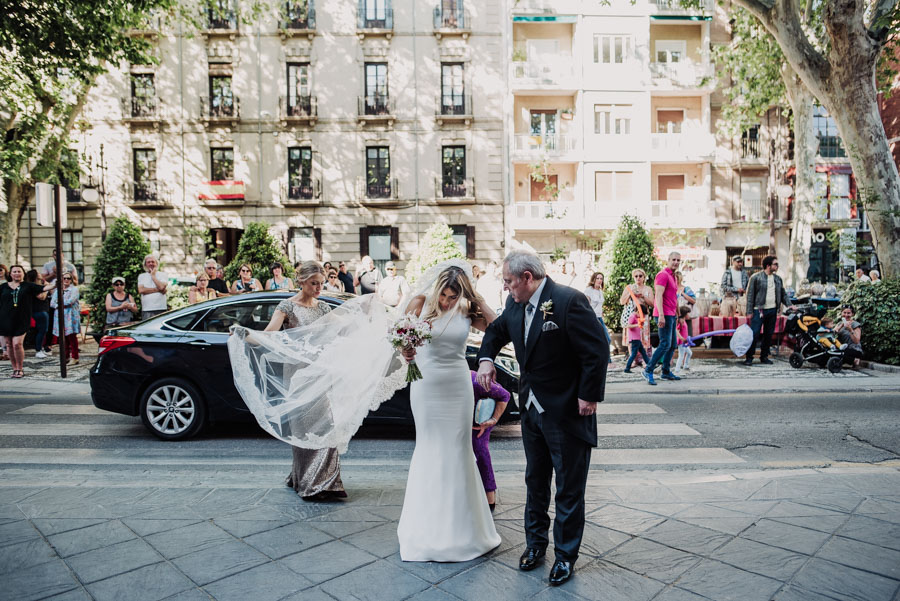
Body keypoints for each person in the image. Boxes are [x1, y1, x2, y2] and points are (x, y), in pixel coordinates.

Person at [477, 250, 608, 586]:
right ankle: (535, 545)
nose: (506, 288)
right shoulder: (515, 305)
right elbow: (496, 332)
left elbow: (597, 351)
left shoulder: (567, 301)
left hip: (567, 410)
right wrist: (486, 359)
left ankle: (565, 556)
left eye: (508, 281)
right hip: (532, 411)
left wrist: (589, 395)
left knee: (568, 487)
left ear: (527, 278)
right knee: (535, 481)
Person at [398, 264, 501, 561]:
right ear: (437, 289)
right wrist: (405, 350)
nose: (447, 301)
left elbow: (496, 327)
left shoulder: (467, 309)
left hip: (458, 385)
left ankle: (465, 529)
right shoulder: (419, 303)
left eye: (453, 296)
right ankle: (424, 528)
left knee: (458, 449)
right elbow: (398, 336)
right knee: (429, 448)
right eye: (444, 295)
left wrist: (477, 298)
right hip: (426, 385)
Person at [262, 261, 347, 501]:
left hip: (320, 373)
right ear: (301, 281)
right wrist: (245, 334)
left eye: (321, 283)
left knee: (326, 426)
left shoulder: (323, 309)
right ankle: (307, 481)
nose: (319, 288)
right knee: (303, 429)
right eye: (314, 283)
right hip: (298, 375)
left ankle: (328, 481)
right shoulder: (287, 306)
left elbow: (342, 330)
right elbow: (270, 333)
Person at [0, 265, 53, 377]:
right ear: (10, 274)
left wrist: (56, 283)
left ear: (23, 273)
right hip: (5, 319)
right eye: (14, 272)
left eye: (19, 271)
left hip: (22, 319)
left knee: (17, 344)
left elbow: (43, 289)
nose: (17, 273)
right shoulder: (3, 287)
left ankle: (20, 368)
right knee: (9, 344)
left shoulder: (28, 286)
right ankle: (14, 368)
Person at [470, 370, 510, 512]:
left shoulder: (475, 380)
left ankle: (489, 497)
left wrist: (493, 420)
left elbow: (505, 395)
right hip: (457, 424)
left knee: (480, 453)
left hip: (479, 424)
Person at [641, 252, 682, 386]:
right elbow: (658, 296)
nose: (676, 262)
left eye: (678, 260)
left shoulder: (673, 277)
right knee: (665, 344)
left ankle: (665, 372)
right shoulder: (662, 275)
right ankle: (648, 370)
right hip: (663, 314)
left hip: (671, 314)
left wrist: (678, 313)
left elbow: (674, 297)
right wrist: (662, 315)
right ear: (668, 260)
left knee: (672, 344)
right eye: (674, 260)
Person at [744, 255, 792, 366]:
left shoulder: (778, 279)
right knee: (754, 334)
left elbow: (783, 294)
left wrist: (790, 305)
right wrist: (749, 311)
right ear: (768, 265)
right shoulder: (756, 277)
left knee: (768, 334)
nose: (777, 266)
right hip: (758, 310)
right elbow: (750, 295)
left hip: (772, 310)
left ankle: (764, 356)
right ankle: (749, 357)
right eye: (775, 264)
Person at [619, 269, 654, 362]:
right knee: (632, 338)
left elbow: (652, 304)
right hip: (632, 316)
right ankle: (633, 360)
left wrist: (643, 296)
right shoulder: (629, 288)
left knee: (644, 338)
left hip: (643, 316)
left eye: (640, 276)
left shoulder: (648, 289)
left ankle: (643, 360)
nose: (638, 278)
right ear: (633, 277)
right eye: (636, 276)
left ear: (644, 277)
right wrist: (631, 295)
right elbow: (622, 302)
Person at [50, 271, 81, 365]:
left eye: (68, 278)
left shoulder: (74, 289)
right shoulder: (58, 290)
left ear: (71, 280)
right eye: (64, 278)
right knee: (63, 338)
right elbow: (52, 303)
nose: (66, 280)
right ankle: (65, 356)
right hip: (59, 316)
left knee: (71, 337)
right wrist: (60, 304)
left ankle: (75, 357)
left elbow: (70, 301)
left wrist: (58, 303)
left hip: (70, 315)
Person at [26, 270, 51, 359]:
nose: (41, 273)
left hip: (43, 309)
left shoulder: (39, 285)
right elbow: (41, 297)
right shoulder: (34, 287)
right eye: (38, 273)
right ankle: (38, 350)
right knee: (41, 330)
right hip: (39, 311)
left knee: (44, 331)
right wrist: (47, 288)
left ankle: (41, 348)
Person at [137, 254, 168, 320]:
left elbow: (162, 287)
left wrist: (153, 276)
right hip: (147, 309)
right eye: (148, 262)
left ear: (156, 263)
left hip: (161, 308)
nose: (151, 263)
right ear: (145, 265)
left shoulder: (163, 275)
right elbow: (141, 290)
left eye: (153, 262)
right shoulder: (141, 276)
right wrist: (158, 290)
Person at [583, 272, 610, 345]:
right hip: (592, 318)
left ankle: (604, 356)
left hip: (599, 318)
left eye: (601, 278)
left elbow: (600, 306)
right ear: (593, 279)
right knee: (595, 340)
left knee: (607, 339)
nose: (599, 280)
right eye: (597, 278)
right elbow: (586, 306)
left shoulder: (600, 291)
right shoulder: (589, 290)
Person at [675, 271, 697, 336]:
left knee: (687, 334)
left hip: (685, 314)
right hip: (675, 315)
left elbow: (693, 300)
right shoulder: (671, 289)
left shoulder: (686, 289)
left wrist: (683, 294)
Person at [674, 305, 693, 375]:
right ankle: (677, 370)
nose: (688, 315)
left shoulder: (683, 320)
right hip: (682, 342)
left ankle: (685, 365)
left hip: (684, 342)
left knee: (689, 353)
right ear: (684, 314)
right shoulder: (681, 321)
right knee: (681, 355)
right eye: (687, 313)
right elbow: (676, 331)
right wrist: (682, 338)